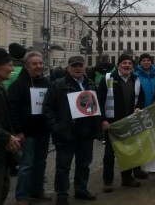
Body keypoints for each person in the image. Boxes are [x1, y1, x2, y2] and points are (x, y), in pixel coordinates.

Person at [43, 56, 103, 205]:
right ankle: (62, 194)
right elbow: (48, 107)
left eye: (80, 65)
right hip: (66, 132)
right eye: (74, 66)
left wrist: (96, 127)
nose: (78, 68)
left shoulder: (90, 83)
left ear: (85, 67)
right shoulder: (59, 84)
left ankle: (81, 190)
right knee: (63, 166)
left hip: (86, 132)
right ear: (68, 68)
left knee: (84, 164)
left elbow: (96, 106)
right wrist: (56, 127)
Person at [8, 52, 52, 204]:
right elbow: (12, 110)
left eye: (40, 63)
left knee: (40, 164)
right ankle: (21, 196)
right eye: (35, 64)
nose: (39, 66)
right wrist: (18, 131)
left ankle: (37, 191)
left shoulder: (46, 83)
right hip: (27, 133)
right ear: (27, 66)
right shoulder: (18, 85)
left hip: (44, 131)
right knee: (26, 165)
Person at [98, 54, 146, 192]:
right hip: (112, 123)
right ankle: (107, 181)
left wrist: (139, 107)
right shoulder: (108, 79)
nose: (127, 65)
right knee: (109, 154)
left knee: (128, 152)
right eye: (124, 63)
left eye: (130, 63)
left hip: (129, 122)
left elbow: (141, 97)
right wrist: (103, 119)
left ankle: (127, 178)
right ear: (118, 65)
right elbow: (99, 100)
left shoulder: (136, 80)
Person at [0, 48, 22, 205]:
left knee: (3, 190)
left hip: (2, 153)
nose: (12, 69)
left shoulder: (0, 85)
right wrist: (6, 136)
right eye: (9, 65)